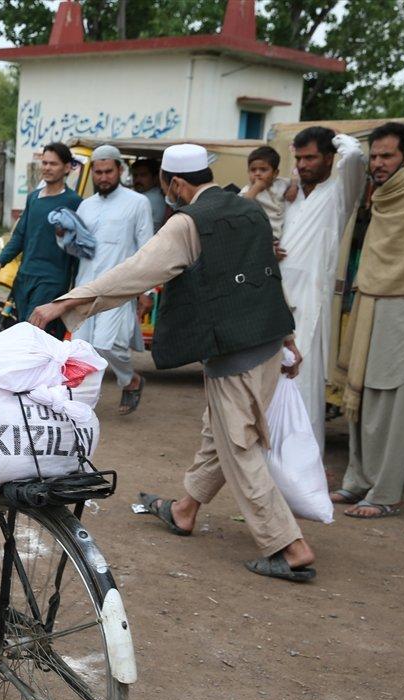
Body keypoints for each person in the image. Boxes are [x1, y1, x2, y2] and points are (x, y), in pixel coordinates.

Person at [32, 143, 318, 583]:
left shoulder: (189, 223)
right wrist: (288, 338)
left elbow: (135, 273)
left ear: (176, 183)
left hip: (234, 352)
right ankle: (185, 510)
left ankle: (288, 545)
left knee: (237, 445)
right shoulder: (249, 211)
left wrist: (64, 304)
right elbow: (268, 275)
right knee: (219, 430)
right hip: (266, 345)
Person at [331, 122, 404, 519]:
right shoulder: (383, 197)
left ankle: (385, 494)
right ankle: (358, 481)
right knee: (363, 399)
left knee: (393, 404)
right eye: (374, 156)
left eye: (386, 155)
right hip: (371, 302)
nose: (377, 163)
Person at [277, 126, 366, 452]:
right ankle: (278, 460)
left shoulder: (340, 192)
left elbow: (355, 155)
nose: (302, 164)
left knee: (305, 387)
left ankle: (306, 466)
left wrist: (337, 136)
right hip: (278, 304)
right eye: (298, 158)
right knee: (275, 387)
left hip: (312, 306)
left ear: (330, 157)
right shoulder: (294, 195)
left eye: (311, 157)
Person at [64, 145, 154, 414]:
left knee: (107, 344)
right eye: (98, 172)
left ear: (120, 170)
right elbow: (77, 247)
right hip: (85, 286)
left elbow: (147, 249)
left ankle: (131, 380)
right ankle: (81, 402)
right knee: (81, 348)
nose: (103, 177)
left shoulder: (138, 203)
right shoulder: (86, 206)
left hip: (118, 288)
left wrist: (145, 291)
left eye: (108, 172)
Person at [0, 142, 81, 338]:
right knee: (23, 329)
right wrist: (0, 262)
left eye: (53, 164)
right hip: (25, 276)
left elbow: (78, 248)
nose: (46, 167)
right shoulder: (34, 198)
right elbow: (20, 235)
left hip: (52, 280)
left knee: (35, 333)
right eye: (44, 163)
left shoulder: (74, 202)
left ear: (67, 167)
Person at [239, 145, 290, 241]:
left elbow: (296, 179)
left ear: (275, 173)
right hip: (260, 237)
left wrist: (294, 187)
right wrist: (256, 188)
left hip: (281, 236)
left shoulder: (281, 184)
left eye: (263, 170)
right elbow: (241, 205)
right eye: (253, 170)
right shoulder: (248, 191)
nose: (257, 173)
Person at [130, 158, 167, 232]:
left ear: (155, 178)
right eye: (135, 175)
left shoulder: (152, 198)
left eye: (143, 175)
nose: (138, 180)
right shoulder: (140, 195)